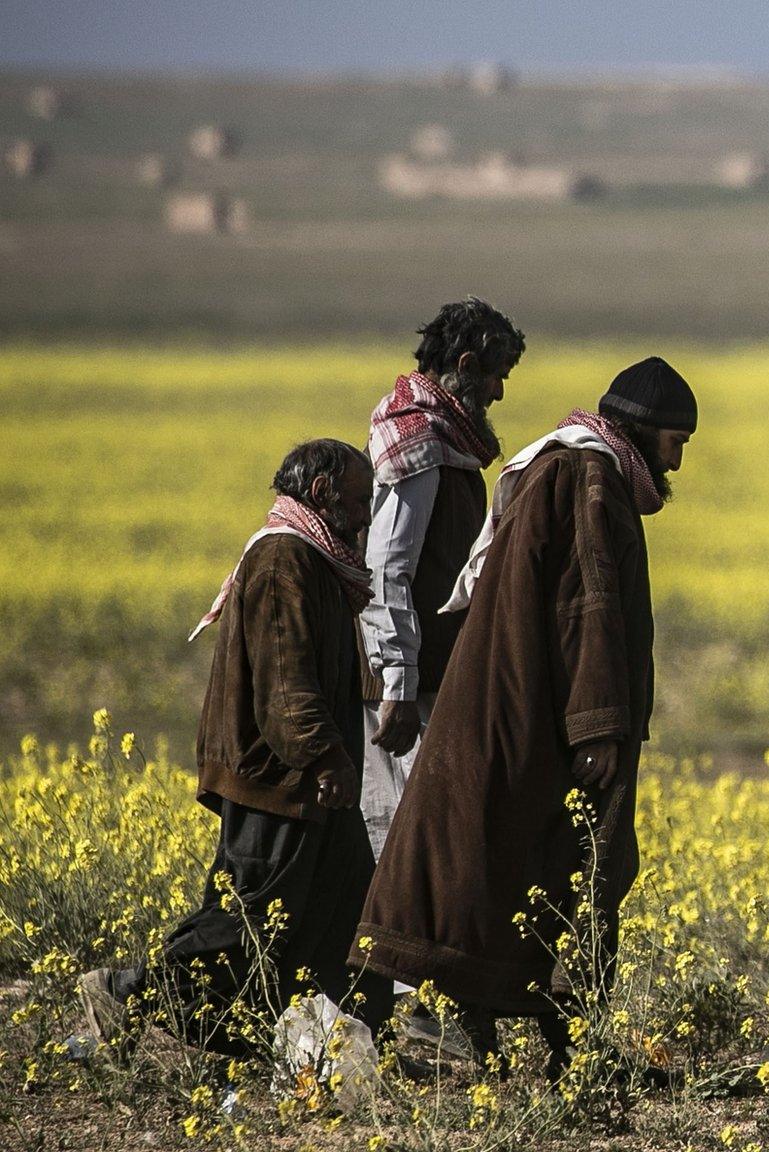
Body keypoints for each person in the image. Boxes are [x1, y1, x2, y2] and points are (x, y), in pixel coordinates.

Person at [351, 358, 695, 1073]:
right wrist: (597, 724)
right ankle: (512, 1029)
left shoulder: (563, 469)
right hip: (544, 714)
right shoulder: (590, 478)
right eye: (675, 440)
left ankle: (528, 1034)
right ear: (643, 431)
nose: (678, 459)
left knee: (508, 864)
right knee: (569, 865)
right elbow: (587, 606)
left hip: (525, 708)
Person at [80, 440, 388, 1053]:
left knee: (350, 919)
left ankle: (349, 1047)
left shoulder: (315, 561)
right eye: (357, 501)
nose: (365, 516)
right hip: (278, 782)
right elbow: (284, 676)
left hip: (311, 784)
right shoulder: (283, 560)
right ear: (323, 494)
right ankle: (123, 991)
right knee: (242, 924)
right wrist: (324, 754)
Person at [361, 297, 523, 858]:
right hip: (406, 685)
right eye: (497, 375)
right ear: (467, 364)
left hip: (427, 675)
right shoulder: (419, 447)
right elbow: (388, 570)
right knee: (403, 834)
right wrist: (399, 686)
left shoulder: (441, 442)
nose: (500, 393)